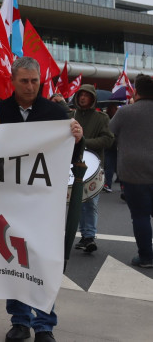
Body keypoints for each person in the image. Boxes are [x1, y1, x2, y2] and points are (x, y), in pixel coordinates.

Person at [0, 57, 84, 342]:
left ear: (41, 81)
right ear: (12, 81)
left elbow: (72, 159)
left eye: (34, 81)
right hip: (8, 201)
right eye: (24, 81)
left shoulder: (55, 111)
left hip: (43, 203)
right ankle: (19, 321)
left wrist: (77, 139)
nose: (29, 86)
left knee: (42, 263)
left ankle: (45, 326)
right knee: (13, 261)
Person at [109, 74, 153, 269]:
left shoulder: (125, 112)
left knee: (140, 216)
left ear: (136, 91)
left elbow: (111, 134)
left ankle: (146, 257)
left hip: (133, 172)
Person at [72, 84, 114, 253]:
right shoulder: (71, 115)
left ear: (92, 98)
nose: (82, 98)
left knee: (89, 202)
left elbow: (108, 140)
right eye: (80, 95)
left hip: (93, 166)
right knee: (76, 202)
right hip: (71, 165)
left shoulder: (102, 118)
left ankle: (89, 236)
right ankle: (83, 235)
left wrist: (84, 142)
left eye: (86, 95)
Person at [103, 103, 119, 193]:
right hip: (114, 144)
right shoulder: (115, 117)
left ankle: (108, 184)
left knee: (110, 164)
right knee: (112, 164)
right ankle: (111, 183)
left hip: (110, 144)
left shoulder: (106, 117)